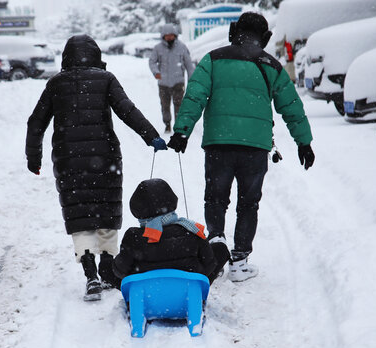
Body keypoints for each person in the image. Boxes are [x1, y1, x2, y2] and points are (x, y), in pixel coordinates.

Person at [167, 13, 315, 282]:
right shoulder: (272, 66)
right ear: (265, 38)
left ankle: (216, 242)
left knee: (215, 198)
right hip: (254, 148)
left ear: (234, 31)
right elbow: (292, 107)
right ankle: (240, 261)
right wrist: (303, 142)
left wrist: (182, 131)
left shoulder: (214, 59)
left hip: (219, 144)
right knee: (248, 204)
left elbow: (195, 94)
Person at [25, 35, 167, 301]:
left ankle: (91, 276)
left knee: (79, 217)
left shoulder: (56, 84)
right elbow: (127, 110)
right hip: (105, 158)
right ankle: (107, 268)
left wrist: (34, 158)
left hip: (68, 161)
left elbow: (36, 122)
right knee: (106, 210)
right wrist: (151, 136)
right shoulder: (106, 79)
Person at [112, 178, 230, 284]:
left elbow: (120, 271)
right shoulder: (191, 230)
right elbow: (209, 266)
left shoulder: (134, 237)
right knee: (220, 249)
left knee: (112, 265)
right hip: (188, 296)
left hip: (145, 300)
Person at [149, 24, 195, 134]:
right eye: (167, 36)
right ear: (163, 36)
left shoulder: (182, 47)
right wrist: (156, 72)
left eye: (171, 35)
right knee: (165, 106)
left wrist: (191, 80)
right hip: (163, 83)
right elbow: (152, 62)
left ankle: (178, 126)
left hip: (178, 82)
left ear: (175, 36)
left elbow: (189, 65)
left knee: (179, 105)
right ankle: (167, 124)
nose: (169, 38)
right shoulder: (158, 48)